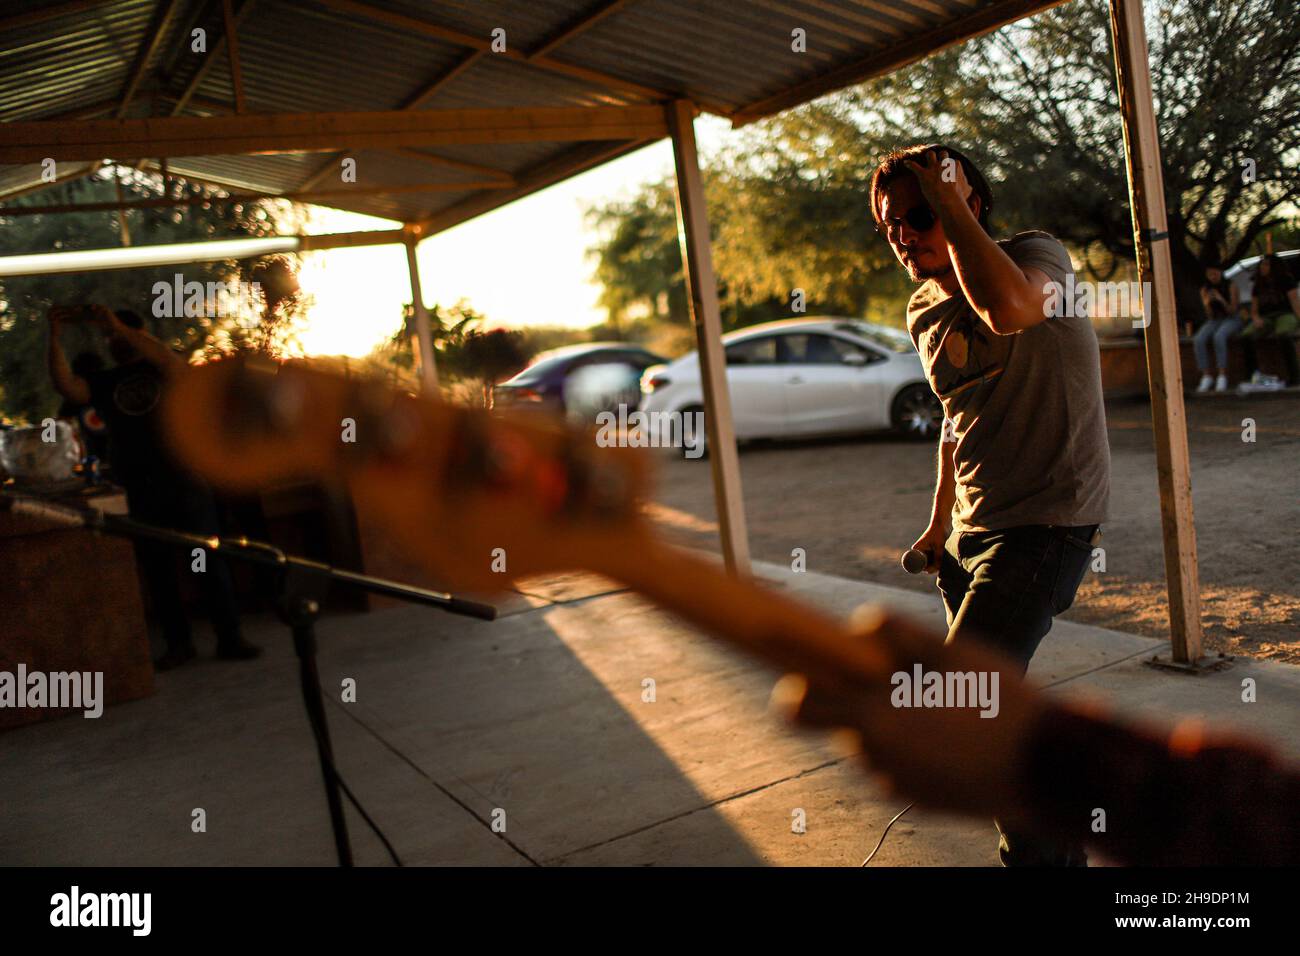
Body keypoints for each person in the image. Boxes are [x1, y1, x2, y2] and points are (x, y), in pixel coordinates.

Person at [871, 144, 1110, 866]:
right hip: (972, 538)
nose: (905, 236)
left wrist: (946, 199)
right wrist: (940, 524)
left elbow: (1007, 310)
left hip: (1045, 526)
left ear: (970, 203)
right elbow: (958, 416)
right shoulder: (920, 307)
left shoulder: (1038, 255)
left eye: (919, 215)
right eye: (891, 227)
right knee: (986, 709)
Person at [775, 606, 1300, 867]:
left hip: (1038, 524)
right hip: (975, 526)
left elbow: (1254, 828)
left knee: (957, 688)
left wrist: (1036, 750)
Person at [47, 304, 260, 670]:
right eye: (110, 336)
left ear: (142, 334)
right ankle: (180, 645)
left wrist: (119, 325)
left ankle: (230, 637)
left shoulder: (164, 366)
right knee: (158, 569)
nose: (115, 340)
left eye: (123, 334)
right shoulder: (106, 381)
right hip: (139, 486)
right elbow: (66, 385)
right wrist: (53, 336)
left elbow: (168, 361)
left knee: (206, 560)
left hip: (183, 480)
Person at [1239, 254, 1300, 388]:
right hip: (1266, 316)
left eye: (1266, 264)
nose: (1263, 267)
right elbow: (1254, 308)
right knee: (1246, 336)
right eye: (1262, 264)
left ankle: (1294, 375)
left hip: (1285, 313)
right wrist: (1255, 318)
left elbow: (1295, 302)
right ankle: (1253, 374)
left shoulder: (1286, 280)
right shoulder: (1258, 284)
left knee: (1283, 334)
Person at [1192, 262, 1241, 392]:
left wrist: (1221, 299)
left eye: (1215, 273)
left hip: (1231, 318)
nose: (1213, 276)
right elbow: (1209, 315)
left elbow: (1233, 310)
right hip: (1215, 319)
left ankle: (1222, 374)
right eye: (1209, 274)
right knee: (1199, 339)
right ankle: (1206, 375)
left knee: (1219, 337)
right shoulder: (1205, 289)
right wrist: (1207, 303)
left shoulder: (1230, 285)